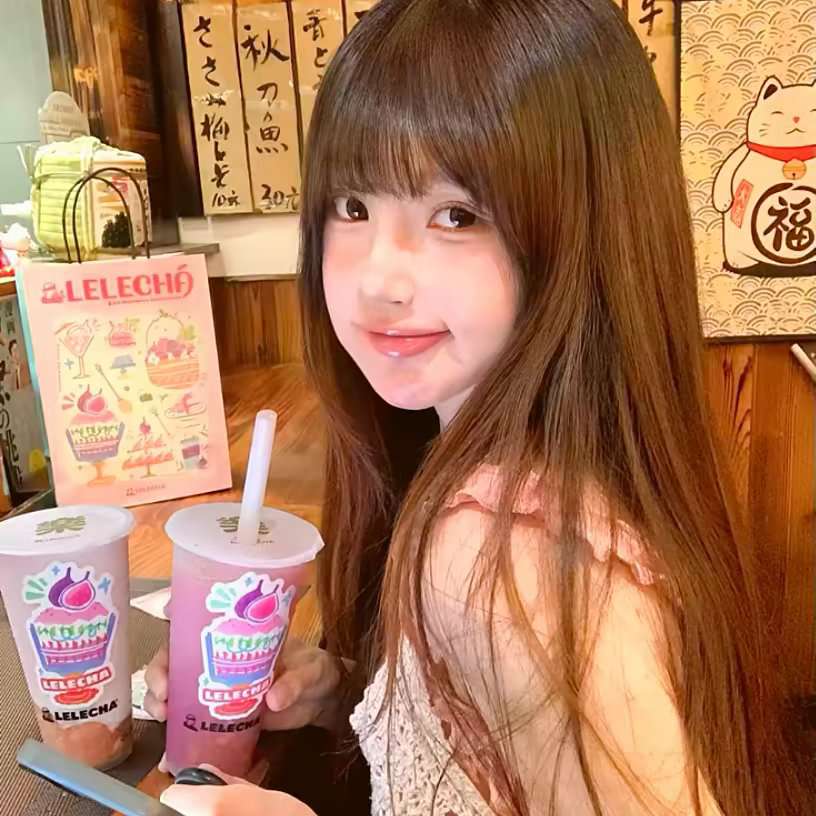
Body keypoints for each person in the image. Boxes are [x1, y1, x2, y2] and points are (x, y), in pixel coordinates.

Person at [150, 1, 816, 813]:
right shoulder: (547, 472)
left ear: (581, 234)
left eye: (456, 215)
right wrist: (343, 691)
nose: (376, 280)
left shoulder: (506, 558)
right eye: (352, 207)